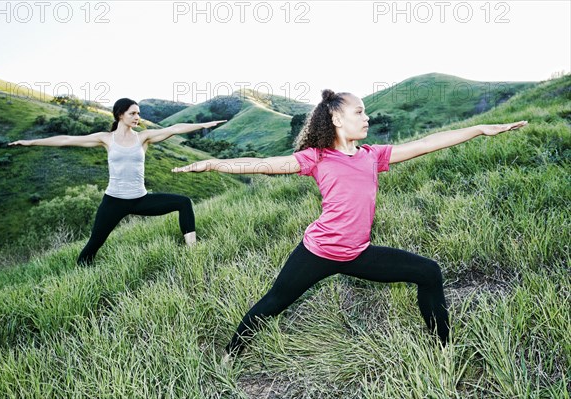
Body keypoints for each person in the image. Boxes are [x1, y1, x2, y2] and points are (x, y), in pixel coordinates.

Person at [172, 89, 528, 358]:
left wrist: (480, 128)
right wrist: (213, 165)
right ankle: (230, 356)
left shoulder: (373, 156)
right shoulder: (316, 158)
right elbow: (262, 163)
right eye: (359, 111)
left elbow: (426, 144)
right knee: (275, 301)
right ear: (337, 119)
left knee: (429, 272)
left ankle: (442, 349)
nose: (366, 117)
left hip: (358, 253)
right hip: (318, 252)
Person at [10, 98, 226, 265]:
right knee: (93, 244)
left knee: (183, 202)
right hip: (113, 201)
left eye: (138, 113)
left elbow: (174, 129)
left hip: (139, 199)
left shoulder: (143, 137)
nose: (137, 117)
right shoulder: (106, 138)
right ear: (120, 114)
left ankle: (192, 250)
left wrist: (205, 124)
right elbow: (67, 140)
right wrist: (30, 142)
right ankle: (81, 271)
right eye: (133, 113)